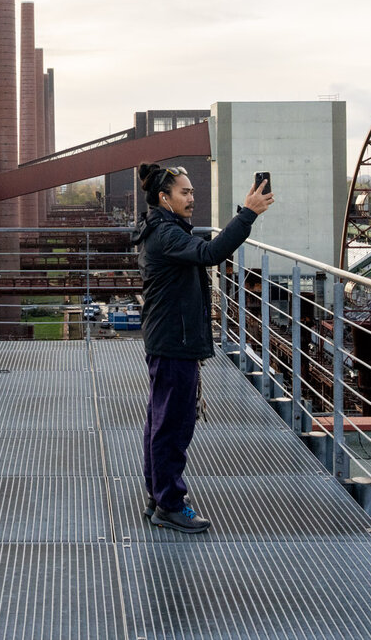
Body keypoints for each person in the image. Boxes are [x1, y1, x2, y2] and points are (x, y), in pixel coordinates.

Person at [131, 162, 274, 533]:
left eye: (192, 191)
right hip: (173, 342)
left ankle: (159, 495)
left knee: (161, 422)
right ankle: (170, 505)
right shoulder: (167, 234)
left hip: (169, 338)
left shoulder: (163, 228)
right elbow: (211, 253)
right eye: (185, 192)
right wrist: (247, 215)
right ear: (165, 198)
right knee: (173, 427)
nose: (191, 198)